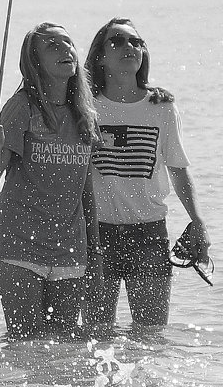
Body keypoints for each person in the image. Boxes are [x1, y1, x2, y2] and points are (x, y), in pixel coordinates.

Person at [82, 17, 211, 332]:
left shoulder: (161, 106)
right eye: (118, 41)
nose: (130, 47)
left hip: (149, 235)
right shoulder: (85, 106)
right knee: (97, 336)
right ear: (99, 56)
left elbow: (178, 169)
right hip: (96, 235)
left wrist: (198, 221)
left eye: (136, 42)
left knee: (151, 336)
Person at [0, 23, 99, 340]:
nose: (66, 49)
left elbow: (86, 188)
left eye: (68, 42)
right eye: (53, 46)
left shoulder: (84, 113)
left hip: (69, 246)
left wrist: (96, 248)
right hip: (19, 241)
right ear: (35, 63)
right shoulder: (22, 106)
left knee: (63, 346)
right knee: (25, 341)